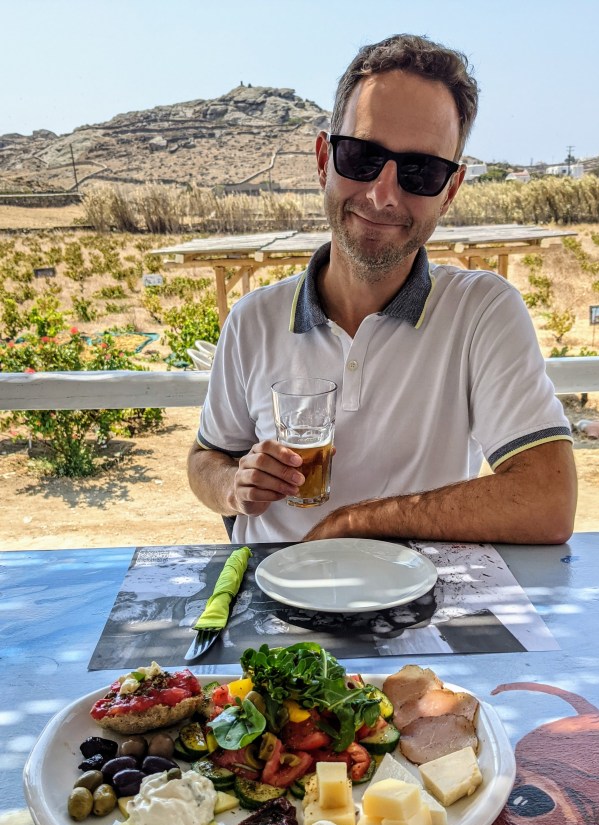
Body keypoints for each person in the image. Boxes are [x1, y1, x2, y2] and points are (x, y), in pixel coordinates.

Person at [187, 34, 576, 547]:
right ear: (325, 158)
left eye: (421, 171)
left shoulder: (481, 311)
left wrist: (354, 522)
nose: (383, 195)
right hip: (272, 605)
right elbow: (205, 458)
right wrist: (234, 486)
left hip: (417, 609)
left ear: (450, 190)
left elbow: (547, 498)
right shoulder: (254, 317)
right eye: (361, 156)